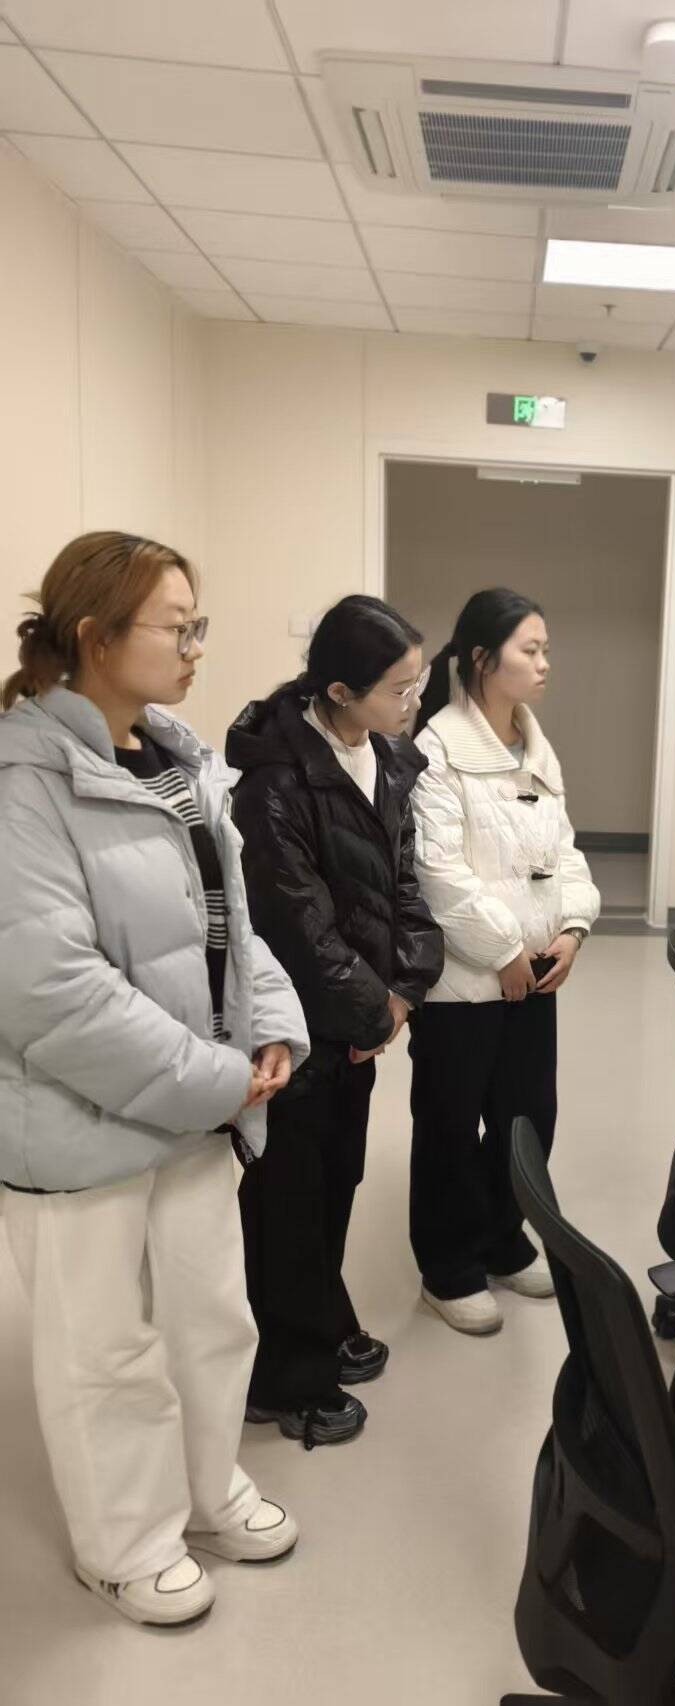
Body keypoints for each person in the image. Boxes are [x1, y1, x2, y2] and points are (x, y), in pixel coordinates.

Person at [0, 532, 309, 1627]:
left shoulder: (175, 759)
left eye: (195, 625)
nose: (194, 647)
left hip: (198, 1106)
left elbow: (232, 926)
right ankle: (125, 1544)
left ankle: (207, 1492)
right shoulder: (23, 780)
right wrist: (215, 1079)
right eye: (177, 627)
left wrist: (272, 1030)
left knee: (211, 1317)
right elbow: (46, 988)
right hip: (81, 1128)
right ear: (95, 637)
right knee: (105, 1350)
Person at [227, 595, 443, 1446]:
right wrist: (369, 1010)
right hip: (298, 1031)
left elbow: (406, 885)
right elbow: (297, 925)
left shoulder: (386, 756)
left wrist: (404, 991)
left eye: (418, 684)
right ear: (342, 692)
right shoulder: (275, 784)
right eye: (400, 689)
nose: (413, 703)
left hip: (360, 1022)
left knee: (336, 1180)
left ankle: (322, 1315)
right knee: (288, 1198)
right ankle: (284, 1379)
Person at [407, 588, 600, 1335]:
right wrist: (504, 951)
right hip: (463, 984)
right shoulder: (437, 749)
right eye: (531, 649)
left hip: (535, 976)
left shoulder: (533, 747)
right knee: (451, 1126)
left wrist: (573, 928)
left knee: (527, 1119)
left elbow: (566, 852)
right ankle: (448, 1266)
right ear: (483, 659)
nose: (545, 663)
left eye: (546, 649)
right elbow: (437, 872)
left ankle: (500, 1238)